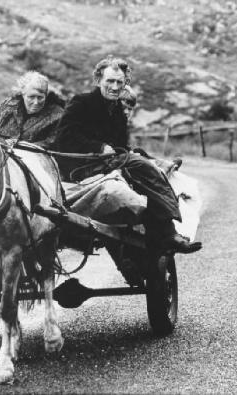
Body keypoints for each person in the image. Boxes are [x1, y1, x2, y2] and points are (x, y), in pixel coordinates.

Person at [54, 56, 202, 254]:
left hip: (108, 162)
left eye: (119, 82)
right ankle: (168, 231)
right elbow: (64, 137)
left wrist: (122, 152)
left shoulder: (117, 110)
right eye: (110, 81)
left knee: (141, 170)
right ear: (98, 81)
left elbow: (121, 145)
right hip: (79, 166)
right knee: (142, 166)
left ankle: (159, 232)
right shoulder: (81, 103)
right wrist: (98, 147)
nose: (115, 87)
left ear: (125, 84)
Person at [0, 71, 65, 146]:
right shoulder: (8, 105)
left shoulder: (57, 115)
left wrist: (21, 145)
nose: (36, 102)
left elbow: (53, 143)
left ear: (46, 95)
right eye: (31, 97)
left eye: (40, 97)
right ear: (22, 94)